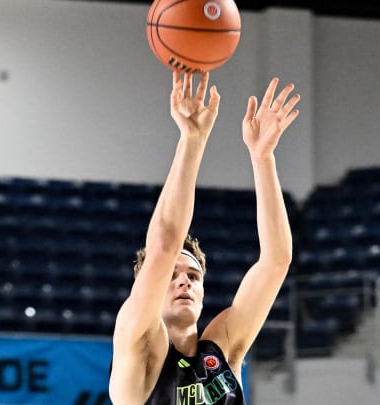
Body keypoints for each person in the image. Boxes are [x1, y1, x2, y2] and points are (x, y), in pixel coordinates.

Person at [109, 71, 300, 405]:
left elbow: (276, 261)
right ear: (145, 284)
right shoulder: (138, 347)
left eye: (193, 276)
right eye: (172, 275)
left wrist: (263, 158)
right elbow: (164, 245)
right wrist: (192, 140)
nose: (184, 282)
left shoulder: (222, 348)